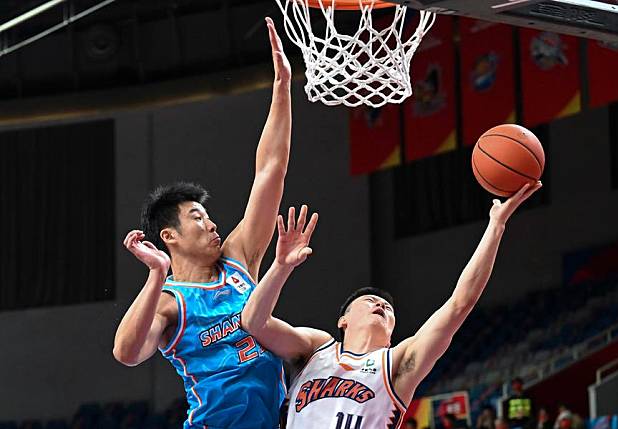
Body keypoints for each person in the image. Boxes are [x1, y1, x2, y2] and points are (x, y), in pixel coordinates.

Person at [112, 17, 293, 429]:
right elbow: (126, 353)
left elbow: (270, 170)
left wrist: (282, 89)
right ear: (169, 236)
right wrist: (156, 273)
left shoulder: (239, 260)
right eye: (198, 218)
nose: (213, 225)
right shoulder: (167, 300)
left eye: (209, 217)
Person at [241, 182, 542, 428]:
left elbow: (460, 304)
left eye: (389, 308)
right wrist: (280, 266)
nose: (382, 306)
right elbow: (254, 322)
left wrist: (497, 225)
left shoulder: (398, 363)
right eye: (371, 301)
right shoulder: (315, 348)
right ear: (342, 321)